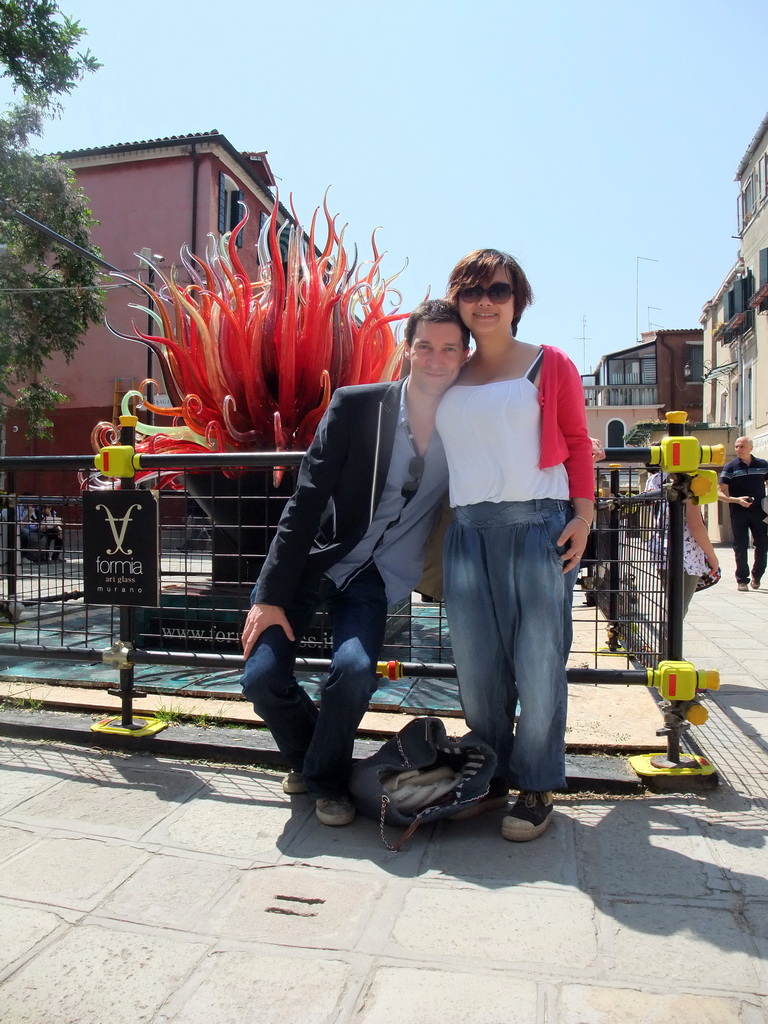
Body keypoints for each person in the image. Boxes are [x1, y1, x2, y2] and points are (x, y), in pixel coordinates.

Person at [240, 299, 470, 827]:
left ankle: (322, 780)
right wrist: (270, 597)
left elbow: (521, 444)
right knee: (261, 676)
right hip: (315, 564)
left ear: (463, 356)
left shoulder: (468, 422)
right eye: (425, 346)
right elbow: (305, 503)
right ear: (407, 351)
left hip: (378, 576)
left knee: (354, 671)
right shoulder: (357, 407)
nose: (436, 359)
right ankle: (321, 761)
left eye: (449, 348)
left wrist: (577, 454)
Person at [436, 249, 593, 842]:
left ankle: (536, 784)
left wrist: (584, 516)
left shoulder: (548, 364)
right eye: (472, 290)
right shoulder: (449, 369)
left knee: (539, 661)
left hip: (538, 527)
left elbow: (577, 441)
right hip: (468, 532)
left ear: (517, 300)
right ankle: (492, 773)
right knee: (476, 668)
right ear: (457, 299)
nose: (485, 301)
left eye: (498, 290)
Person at [645, 471, 720, 616]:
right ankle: (669, 638)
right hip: (686, 554)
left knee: (672, 604)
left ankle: (666, 637)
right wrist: (711, 556)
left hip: (661, 548)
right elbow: (695, 525)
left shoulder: (655, 479)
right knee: (679, 609)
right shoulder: (689, 478)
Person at [717, 436, 768, 592]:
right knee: (740, 545)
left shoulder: (763, 465)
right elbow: (719, 493)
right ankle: (742, 579)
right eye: (737, 446)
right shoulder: (730, 468)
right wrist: (737, 500)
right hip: (738, 512)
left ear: (750, 448)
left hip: (759, 511)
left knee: (762, 545)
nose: (738, 449)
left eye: (742, 446)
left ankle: (757, 576)